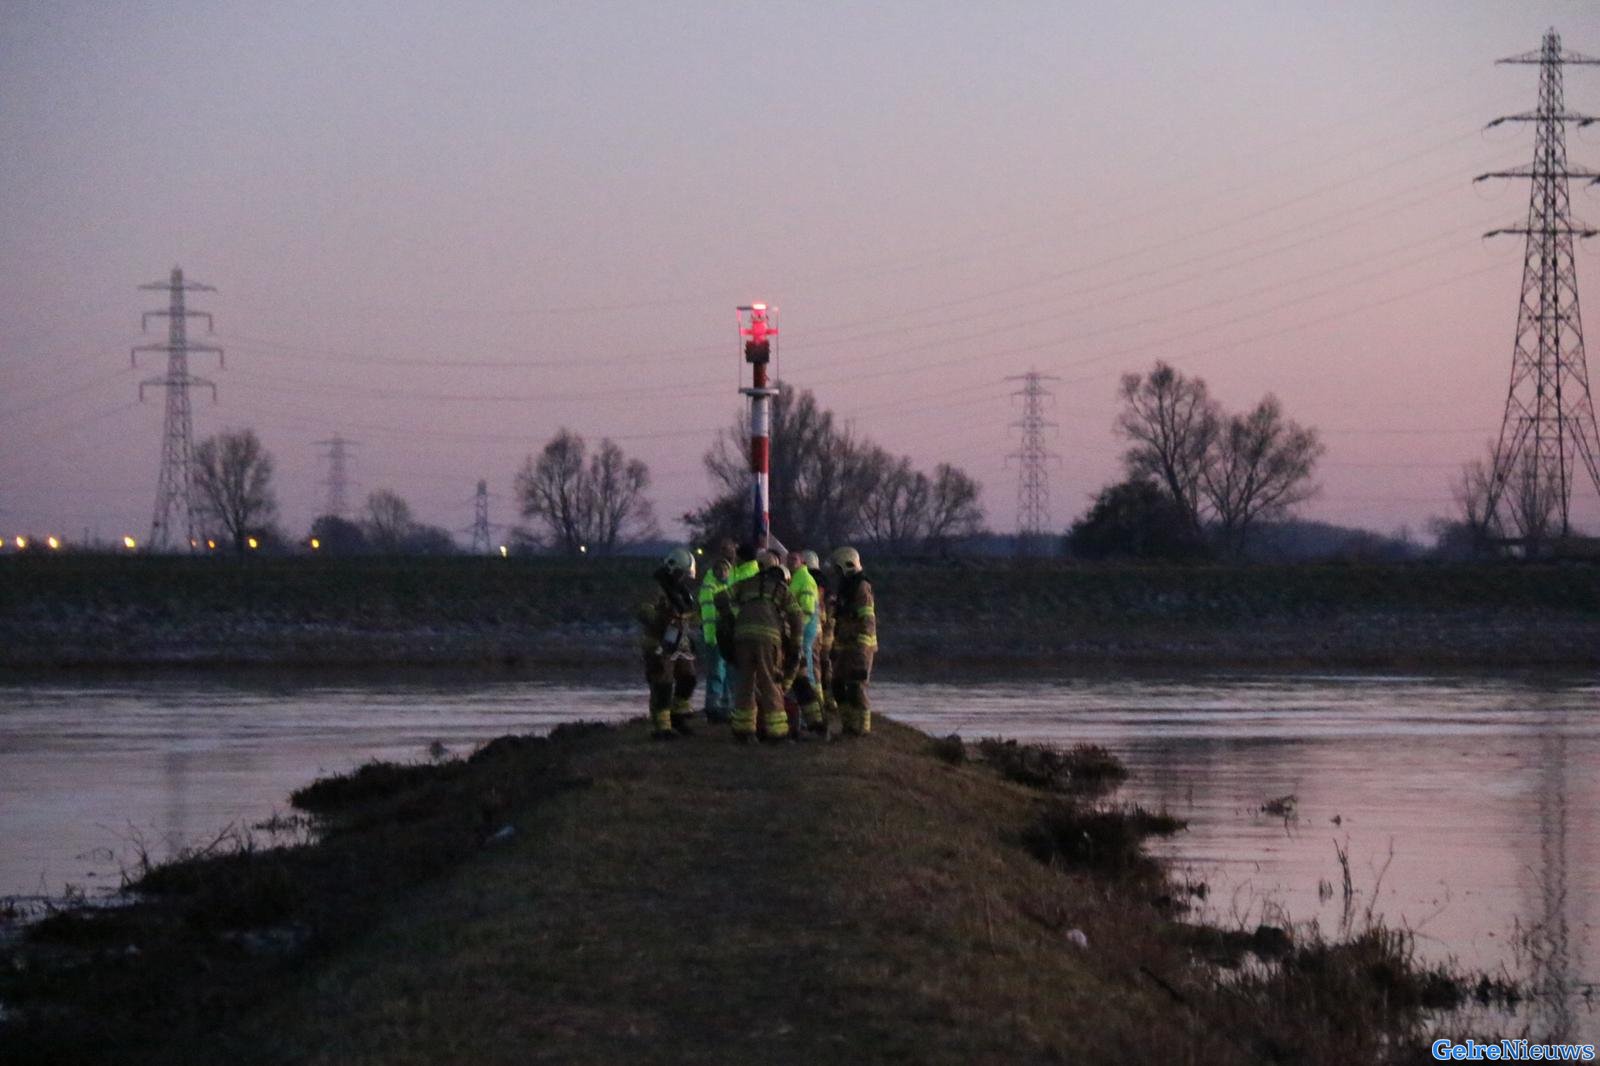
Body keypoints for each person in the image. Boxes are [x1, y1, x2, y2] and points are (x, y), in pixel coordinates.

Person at [717, 548, 802, 743]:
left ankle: (743, 731)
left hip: (742, 638)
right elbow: (796, 615)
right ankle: (777, 732)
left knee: (745, 683)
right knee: (769, 682)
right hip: (768, 640)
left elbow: (720, 598)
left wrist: (729, 618)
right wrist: (796, 643)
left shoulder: (745, 584)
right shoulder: (781, 589)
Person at [636, 547, 700, 740]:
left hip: (680, 643)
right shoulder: (656, 588)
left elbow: (690, 616)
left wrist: (691, 629)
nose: (683, 578)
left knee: (688, 678)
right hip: (659, 642)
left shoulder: (681, 591)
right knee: (662, 684)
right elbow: (643, 611)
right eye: (681, 573)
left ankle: (678, 717)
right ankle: (662, 728)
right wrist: (663, 619)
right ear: (673, 569)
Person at [826, 546, 877, 737]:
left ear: (848, 565)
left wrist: (862, 648)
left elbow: (867, 618)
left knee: (856, 686)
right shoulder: (846, 586)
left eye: (839, 568)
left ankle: (863, 729)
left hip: (860, 646)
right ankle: (848, 725)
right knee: (837, 685)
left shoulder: (861, 586)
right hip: (845, 643)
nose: (837, 572)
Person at [786, 549, 824, 733]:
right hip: (800, 629)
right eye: (789, 559)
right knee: (803, 670)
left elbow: (807, 610)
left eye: (794, 559)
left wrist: (796, 631)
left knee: (805, 671)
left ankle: (811, 713)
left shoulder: (805, 580)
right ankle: (812, 713)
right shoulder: (795, 578)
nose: (790, 562)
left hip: (804, 630)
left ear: (802, 562)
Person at [698, 555, 733, 722]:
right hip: (716, 636)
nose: (724, 573)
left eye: (726, 570)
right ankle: (714, 707)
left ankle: (723, 706)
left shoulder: (722, 585)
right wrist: (712, 638)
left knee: (724, 672)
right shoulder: (711, 587)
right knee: (717, 672)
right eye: (722, 570)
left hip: (724, 635)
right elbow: (710, 617)